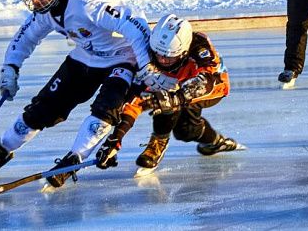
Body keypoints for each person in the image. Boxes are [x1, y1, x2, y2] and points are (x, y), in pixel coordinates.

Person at [0, 0, 175, 189]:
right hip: (84, 59)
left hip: (122, 59)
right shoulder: (45, 13)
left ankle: (73, 160)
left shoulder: (86, 6)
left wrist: (146, 65)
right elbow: (25, 37)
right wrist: (10, 67)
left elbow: (133, 23)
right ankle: (1, 151)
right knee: (43, 109)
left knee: (105, 110)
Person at [94, 14, 242, 173]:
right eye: (158, 54)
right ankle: (214, 141)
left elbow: (208, 82)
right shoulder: (146, 52)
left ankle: (158, 142)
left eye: (169, 57)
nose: (162, 60)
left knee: (167, 98)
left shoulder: (200, 48)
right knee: (185, 132)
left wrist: (176, 98)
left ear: (184, 52)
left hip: (210, 87)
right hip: (174, 85)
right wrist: (117, 137)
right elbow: (135, 100)